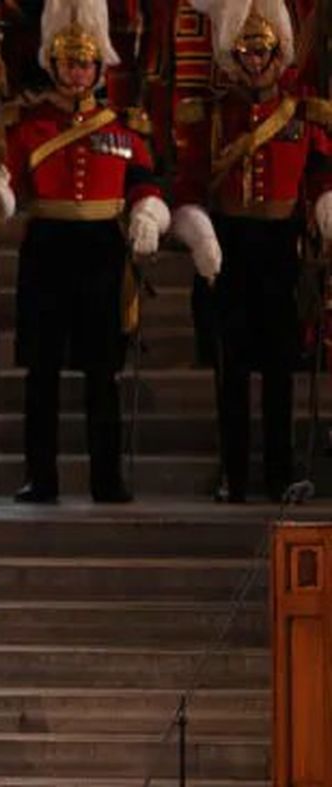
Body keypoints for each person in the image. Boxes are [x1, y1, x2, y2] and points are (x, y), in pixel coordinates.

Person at [0, 0, 170, 504]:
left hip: (102, 250)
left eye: (84, 63)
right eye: (68, 62)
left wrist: (147, 213)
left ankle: (107, 479)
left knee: (102, 373)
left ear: (98, 66)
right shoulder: (26, 122)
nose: (77, 71)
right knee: (42, 373)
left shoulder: (125, 126)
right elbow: (9, 182)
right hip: (48, 248)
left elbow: (144, 182)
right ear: (53, 63)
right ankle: (41, 478)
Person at [171, 0, 332, 502]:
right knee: (232, 367)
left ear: (278, 52)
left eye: (263, 51)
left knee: (282, 366)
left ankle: (281, 471)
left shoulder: (303, 113)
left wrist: (327, 205)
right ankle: (234, 474)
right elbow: (190, 184)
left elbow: (321, 173)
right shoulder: (214, 115)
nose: (255, 60)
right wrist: (198, 233)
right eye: (246, 51)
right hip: (230, 244)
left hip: (280, 247)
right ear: (233, 55)